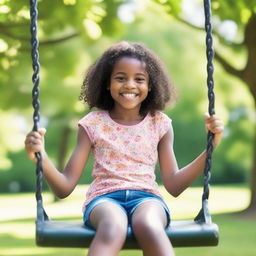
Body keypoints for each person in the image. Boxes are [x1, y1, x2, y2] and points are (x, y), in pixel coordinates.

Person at [24, 41, 224, 256]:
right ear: (107, 83)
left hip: (147, 198)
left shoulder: (160, 124)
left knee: (149, 225)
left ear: (150, 85)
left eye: (139, 79)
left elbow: (174, 185)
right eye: (120, 78)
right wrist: (41, 157)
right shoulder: (92, 124)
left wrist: (210, 148)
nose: (130, 84)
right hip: (103, 199)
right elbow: (64, 188)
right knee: (112, 226)